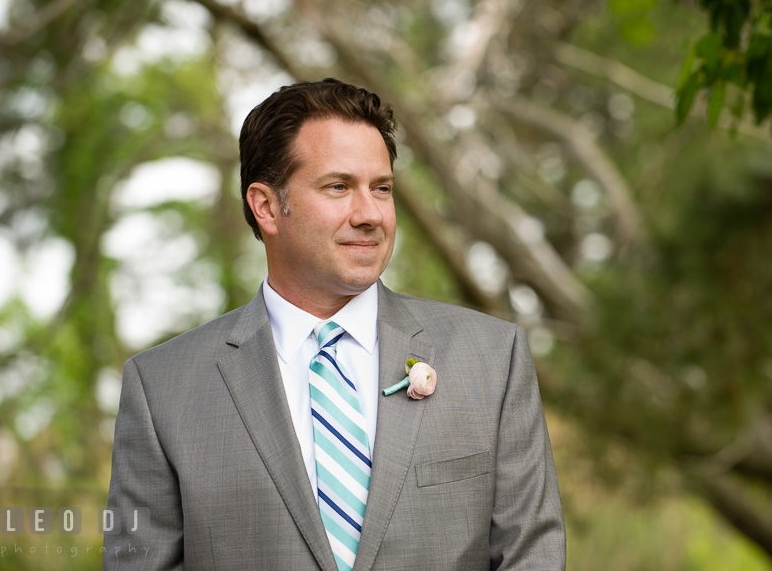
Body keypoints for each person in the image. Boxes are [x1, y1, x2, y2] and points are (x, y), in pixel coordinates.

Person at [103, 78, 565, 570]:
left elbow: (531, 554)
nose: (370, 214)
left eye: (381, 189)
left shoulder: (493, 358)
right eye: (338, 187)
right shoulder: (162, 389)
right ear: (265, 207)